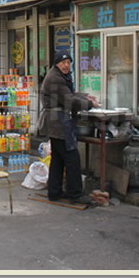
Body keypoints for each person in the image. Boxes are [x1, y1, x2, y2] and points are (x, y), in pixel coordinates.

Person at [38, 51, 99, 205]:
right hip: (58, 124)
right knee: (72, 158)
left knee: (58, 159)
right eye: (63, 62)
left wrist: (85, 96)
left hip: (56, 123)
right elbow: (70, 101)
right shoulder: (55, 78)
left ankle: (55, 192)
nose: (66, 65)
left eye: (68, 62)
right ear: (56, 63)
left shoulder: (58, 76)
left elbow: (69, 94)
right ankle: (75, 194)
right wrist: (90, 104)